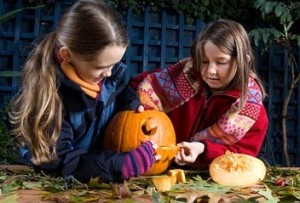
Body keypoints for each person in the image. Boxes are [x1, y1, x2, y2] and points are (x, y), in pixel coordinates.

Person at [9, 0, 159, 183]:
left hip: (94, 170)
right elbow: (62, 162)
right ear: (67, 55)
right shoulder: (49, 99)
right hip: (53, 182)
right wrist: (118, 165)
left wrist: (134, 108)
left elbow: (120, 93)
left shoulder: (105, 76)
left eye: (114, 64)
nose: (109, 73)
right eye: (101, 67)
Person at [131, 19, 269, 170]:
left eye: (221, 62)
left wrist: (203, 149)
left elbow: (241, 157)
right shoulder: (180, 77)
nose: (210, 70)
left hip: (206, 181)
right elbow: (138, 85)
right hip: (157, 167)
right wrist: (137, 104)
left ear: (243, 62)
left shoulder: (252, 112)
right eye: (204, 61)